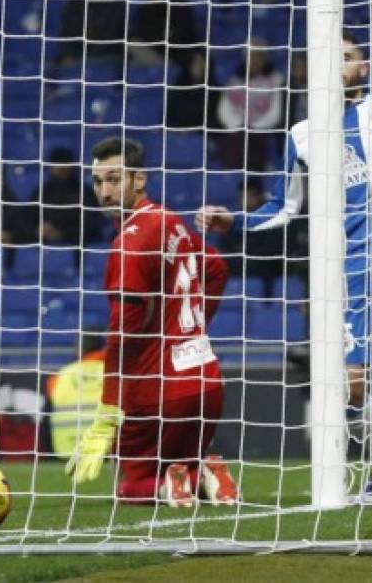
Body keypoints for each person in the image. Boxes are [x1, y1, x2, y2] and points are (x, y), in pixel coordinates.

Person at [196, 32, 372, 497]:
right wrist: (234, 220)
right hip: (350, 267)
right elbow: (284, 208)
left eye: (346, 57)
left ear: (363, 68)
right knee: (350, 383)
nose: (338, 64)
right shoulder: (302, 135)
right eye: (329, 58)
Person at [66, 138, 239, 508]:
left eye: (114, 179)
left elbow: (123, 333)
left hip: (157, 393)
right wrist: (188, 329)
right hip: (206, 381)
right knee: (177, 462)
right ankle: (203, 472)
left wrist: (109, 407)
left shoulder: (129, 243)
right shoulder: (170, 220)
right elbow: (218, 269)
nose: (105, 191)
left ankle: (174, 484)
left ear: (139, 179)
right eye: (98, 182)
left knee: (130, 485)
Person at [216, 41, 286, 171]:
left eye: (259, 56)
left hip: (262, 131)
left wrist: (255, 126)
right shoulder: (234, 81)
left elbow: (276, 112)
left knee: (253, 141)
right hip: (237, 130)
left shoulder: (276, 80)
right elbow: (223, 110)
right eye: (252, 56)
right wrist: (238, 125)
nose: (256, 60)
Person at [55, 0, 126, 67]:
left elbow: (113, 38)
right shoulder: (73, 6)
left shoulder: (116, 6)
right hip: (78, 55)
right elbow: (66, 35)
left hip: (107, 55)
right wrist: (68, 54)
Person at [29, 147, 103, 248]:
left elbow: (92, 224)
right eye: (57, 164)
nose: (61, 167)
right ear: (50, 167)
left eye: (65, 163)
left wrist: (62, 234)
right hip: (45, 246)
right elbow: (27, 218)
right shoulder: (41, 193)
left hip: (78, 246)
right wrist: (38, 229)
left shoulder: (85, 192)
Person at [128, 0, 197, 69]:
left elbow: (181, 38)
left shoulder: (179, 7)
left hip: (176, 58)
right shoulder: (144, 9)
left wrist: (162, 37)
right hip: (153, 54)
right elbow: (142, 34)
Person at [165, 50, 216, 133]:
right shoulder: (181, 81)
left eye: (200, 62)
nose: (195, 65)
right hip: (173, 131)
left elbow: (208, 120)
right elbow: (170, 110)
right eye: (194, 61)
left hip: (195, 137)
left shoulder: (213, 92)